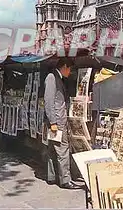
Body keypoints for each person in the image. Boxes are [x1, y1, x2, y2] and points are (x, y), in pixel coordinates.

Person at [43, 57, 81, 190]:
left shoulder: (56, 77)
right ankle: (65, 180)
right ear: (64, 66)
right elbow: (48, 101)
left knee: (53, 149)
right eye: (69, 68)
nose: (69, 72)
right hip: (57, 121)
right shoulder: (52, 78)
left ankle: (52, 177)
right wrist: (53, 122)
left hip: (56, 120)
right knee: (62, 149)